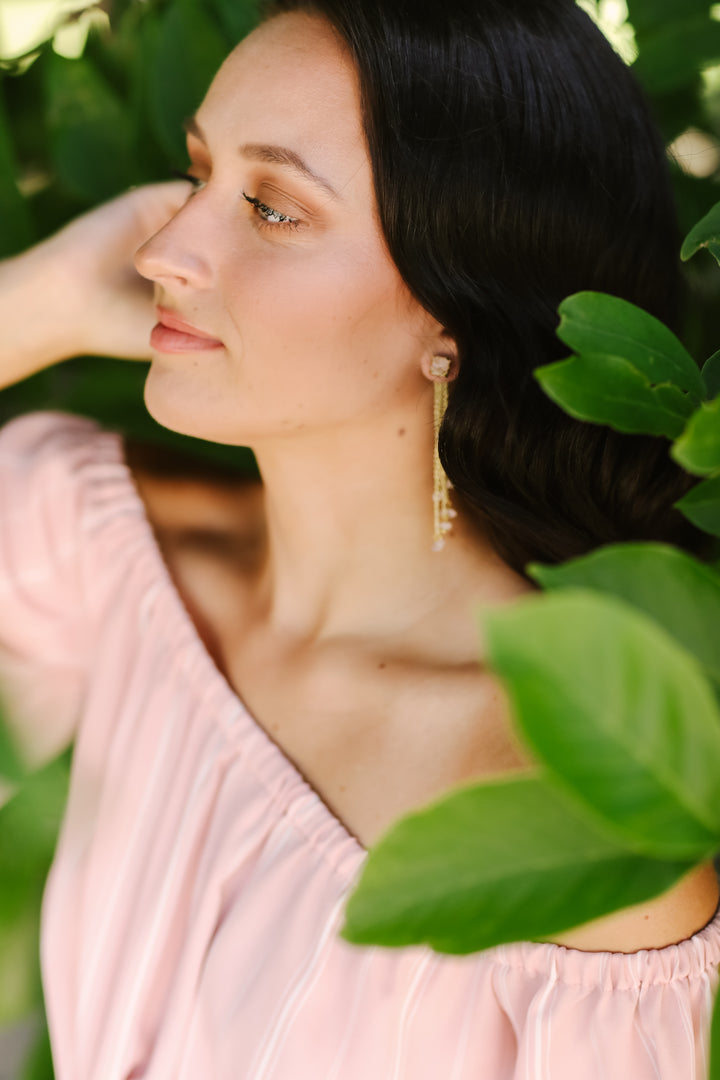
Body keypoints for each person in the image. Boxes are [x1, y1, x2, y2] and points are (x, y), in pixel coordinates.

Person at [1, 0, 719, 1076]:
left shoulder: (583, 815)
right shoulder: (100, 548)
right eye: (198, 174)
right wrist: (40, 302)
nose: (162, 248)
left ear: (452, 316)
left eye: (273, 207)